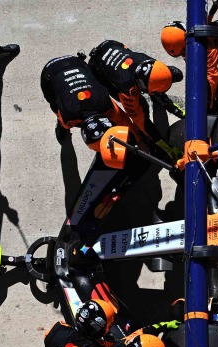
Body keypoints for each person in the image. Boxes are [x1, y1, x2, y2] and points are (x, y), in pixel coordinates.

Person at [41, 53, 157, 242]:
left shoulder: (105, 103)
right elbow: (62, 107)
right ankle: (60, 129)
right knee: (58, 108)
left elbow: (124, 121)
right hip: (49, 73)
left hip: (77, 64)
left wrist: (140, 141)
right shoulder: (68, 118)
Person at [88, 40, 185, 141]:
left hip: (111, 45)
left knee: (165, 86)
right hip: (97, 69)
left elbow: (158, 79)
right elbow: (142, 122)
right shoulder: (126, 89)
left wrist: (178, 111)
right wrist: (162, 144)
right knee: (142, 108)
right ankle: (140, 137)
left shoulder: (151, 64)